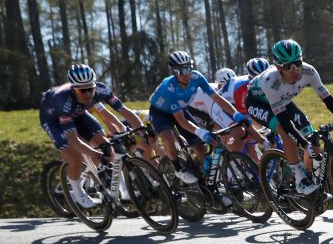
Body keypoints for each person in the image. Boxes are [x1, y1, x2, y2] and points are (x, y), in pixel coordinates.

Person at [244, 39, 333, 195]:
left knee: (309, 133)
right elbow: (285, 123)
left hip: (283, 101)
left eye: (297, 63)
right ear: (278, 67)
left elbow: (328, 101)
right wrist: (302, 142)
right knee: (286, 133)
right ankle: (300, 178)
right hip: (258, 103)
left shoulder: (309, 71)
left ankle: (308, 179)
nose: (294, 70)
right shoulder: (271, 81)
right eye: (288, 66)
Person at [39, 64, 144, 207]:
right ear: (74, 90)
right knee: (76, 157)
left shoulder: (101, 90)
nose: (88, 94)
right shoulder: (64, 102)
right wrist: (95, 154)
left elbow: (123, 110)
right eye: (83, 91)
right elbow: (73, 139)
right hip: (53, 119)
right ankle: (78, 194)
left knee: (107, 147)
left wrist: (141, 129)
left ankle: (119, 188)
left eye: (91, 89)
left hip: (79, 114)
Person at [148, 50, 246, 184]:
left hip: (181, 108)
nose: (186, 74)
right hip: (160, 112)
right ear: (173, 72)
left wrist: (236, 114)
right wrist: (202, 132)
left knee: (199, 146)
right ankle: (178, 169)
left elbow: (217, 98)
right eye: (181, 71)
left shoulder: (197, 77)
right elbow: (181, 120)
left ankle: (205, 180)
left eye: (188, 69)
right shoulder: (169, 87)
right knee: (169, 139)